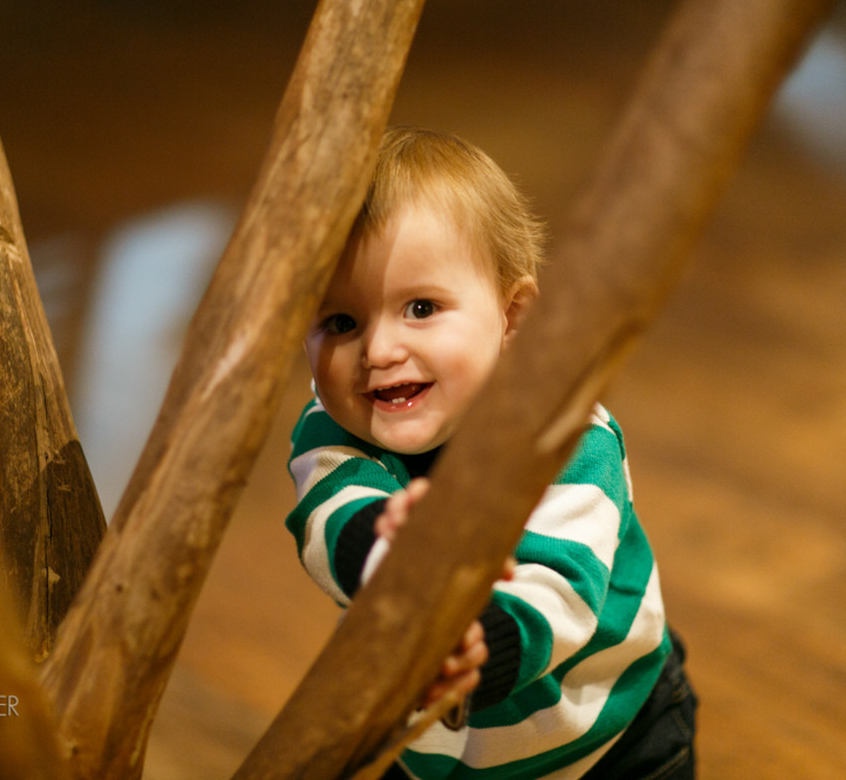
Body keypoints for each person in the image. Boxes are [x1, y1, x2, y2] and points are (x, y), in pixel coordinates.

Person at [285, 126, 696, 779]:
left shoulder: (565, 433)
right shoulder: (331, 427)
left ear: (513, 317)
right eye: (341, 323)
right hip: (430, 746)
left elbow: (562, 586)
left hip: (607, 737)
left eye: (420, 307)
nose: (379, 352)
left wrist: (481, 639)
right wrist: (386, 550)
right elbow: (326, 517)